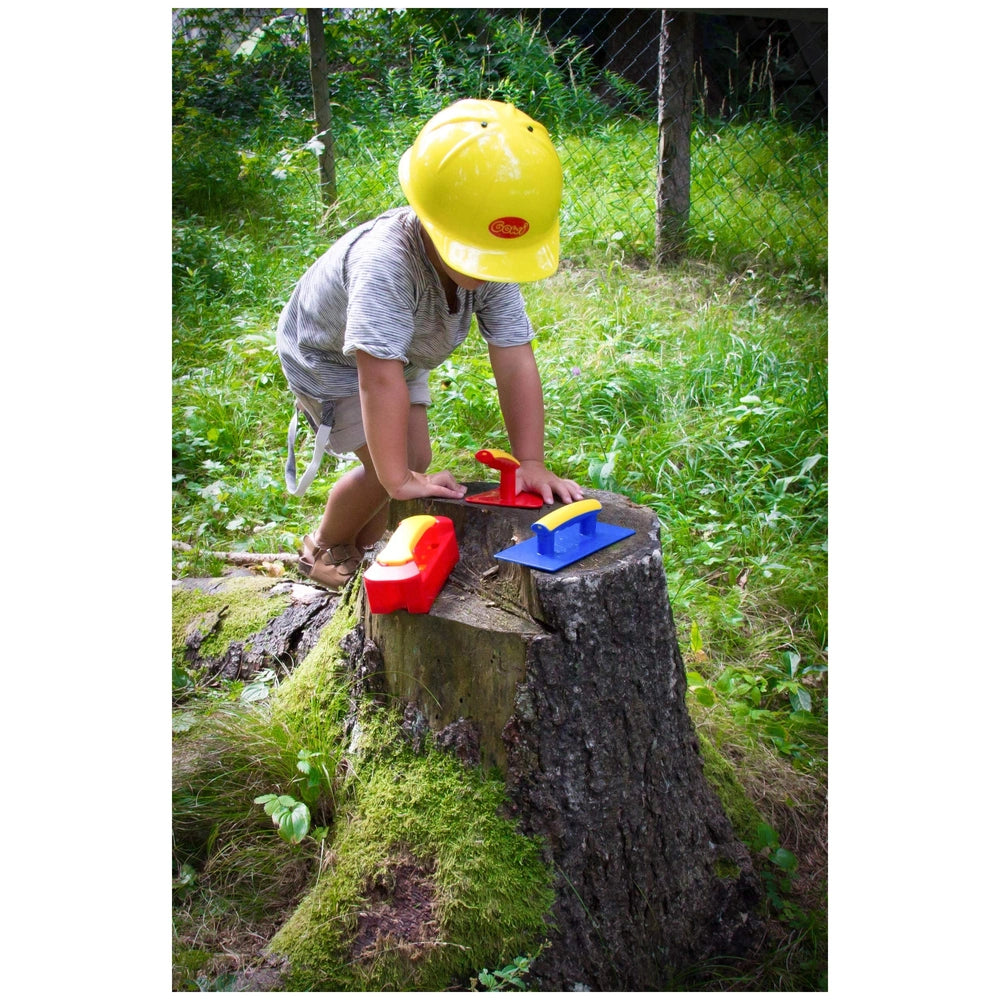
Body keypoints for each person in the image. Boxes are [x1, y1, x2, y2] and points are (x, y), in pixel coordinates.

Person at [277, 98, 584, 590]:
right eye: (482, 260)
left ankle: (361, 544)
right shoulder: (387, 265)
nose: (492, 273)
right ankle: (323, 546)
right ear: (437, 221)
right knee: (389, 468)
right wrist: (395, 480)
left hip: (401, 347)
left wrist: (530, 461)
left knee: (410, 458)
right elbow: (376, 379)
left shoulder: (487, 253)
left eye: (501, 260)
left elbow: (514, 357)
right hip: (330, 357)